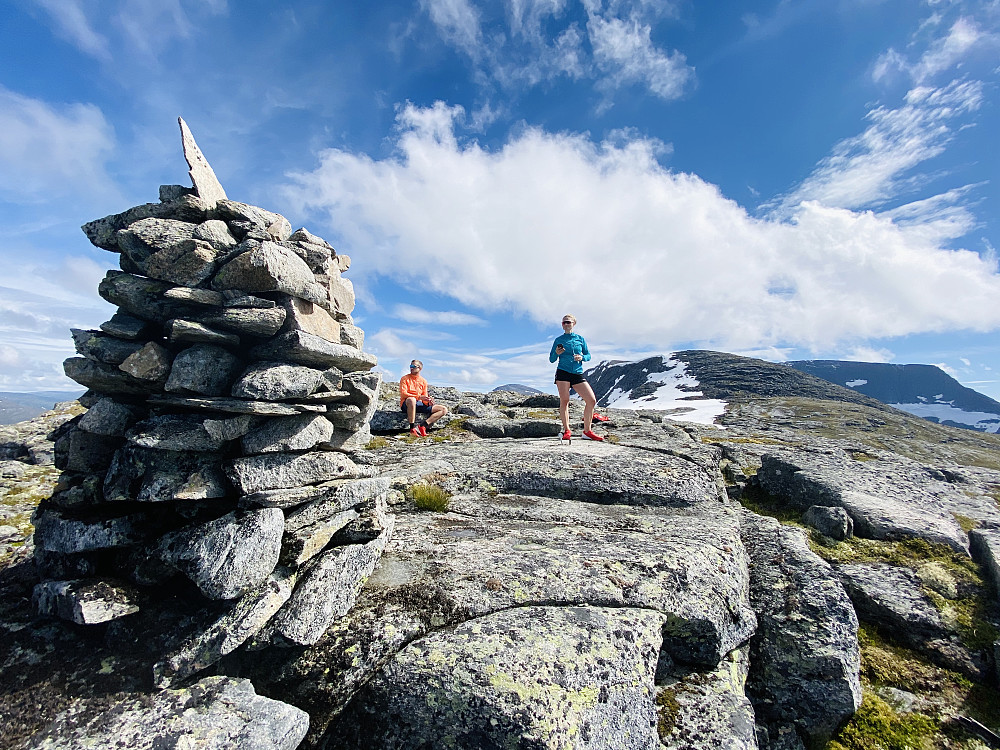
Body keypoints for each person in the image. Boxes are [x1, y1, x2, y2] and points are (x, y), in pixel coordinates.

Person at [549, 315, 603, 442]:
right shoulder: (558, 340)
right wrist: (556, 353)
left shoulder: (580, 339)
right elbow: (551, 359)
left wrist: (582, 358)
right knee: (565, 400)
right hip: (562, 372)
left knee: (591, 400)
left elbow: (588, 355)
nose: (566, 324)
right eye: (564, 322)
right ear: (562, 325)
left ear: (574, 323)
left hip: (577, 373)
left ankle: (587, 431)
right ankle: (567, 430)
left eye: (569, 322)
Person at [399, 359, 448, 437]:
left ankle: (422, 426)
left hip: (419, 404)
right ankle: (412, 429)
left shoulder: (423, 381)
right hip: (407, 404)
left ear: (420, 368)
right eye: (410, 366)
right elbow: (404, 394)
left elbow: (424, 395)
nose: (411, 368)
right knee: (412, 399)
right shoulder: (404, 378)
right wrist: (418, 397)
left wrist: (428, 402)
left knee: (443, 409)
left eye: (413, 366)